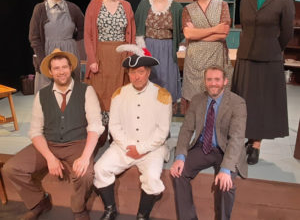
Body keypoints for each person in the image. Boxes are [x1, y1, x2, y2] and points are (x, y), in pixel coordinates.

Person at [3, 49, 104, 220]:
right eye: (56, 68)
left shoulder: (86, 90)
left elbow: (95, 125)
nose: (61, 71)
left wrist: (86, 156)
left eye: (64, 67)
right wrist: (49, 157)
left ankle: (79, 209)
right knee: (11, 168)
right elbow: (35, 131)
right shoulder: (42, 95)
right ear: (50, 72)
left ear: (70, 68)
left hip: (77, 142)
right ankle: (39, 202)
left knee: (86, 174)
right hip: (49, 142)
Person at [93, 44, 172, 220]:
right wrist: (128, 146)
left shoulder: (163, 95)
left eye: (141, 71)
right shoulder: (119, 94)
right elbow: (114, 126)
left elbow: (162, 131)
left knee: (152, 178)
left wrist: (141, 149)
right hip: (124, 145)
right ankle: (110, 209)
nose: (137, 76)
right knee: (100, 168)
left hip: (152, 148)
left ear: (148, 72)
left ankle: (142, 215)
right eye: (133, 72)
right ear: (128, 74)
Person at [231, 0, 295, 165]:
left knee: (263, 104)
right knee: (243, 100)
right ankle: (241, 139)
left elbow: (287, 32)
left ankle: (256, 144)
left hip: (269, 59)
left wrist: (273, 49)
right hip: (246, 57)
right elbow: (245, 27)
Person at [170, 66, 247, 220]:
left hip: (225, 149)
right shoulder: (198, 100)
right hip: (202, 147)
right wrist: (180, 156)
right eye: (209, 80)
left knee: (226, 185)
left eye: (217, 79)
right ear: (205, 82)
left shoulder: (237, 103)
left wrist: (226, 169)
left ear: (225, 81)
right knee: (178, 174)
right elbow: (186, 130)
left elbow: (237, 138)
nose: (213, 83)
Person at [84, 0, 136, 134]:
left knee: (119, 95)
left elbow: (132, 35)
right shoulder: (94, 4)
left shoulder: (126, 5)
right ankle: (100, 133)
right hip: (100, 56)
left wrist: (129, 59)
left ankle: (117, 134)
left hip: (121, 57)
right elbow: (88, 35)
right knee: (100, 95)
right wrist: (92, 59)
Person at [181, 0, 233, 114]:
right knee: (195, 102)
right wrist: (215, 29)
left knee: (216, 99)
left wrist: (197, 34)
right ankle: (197, 133)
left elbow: (223, 33)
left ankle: (215, 134)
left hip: (217, 59)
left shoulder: (222, 5)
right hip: (194, 63)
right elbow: (188, 34)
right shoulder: (188, 10)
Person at [135, 0, 183, 110]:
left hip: (168, 50)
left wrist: (176, 48)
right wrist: (143, 52)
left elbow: (181, 32)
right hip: (148, 49)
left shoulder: (176, 7)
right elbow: (138, 29)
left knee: (166, 87)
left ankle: (165, 125)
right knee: (148, 86)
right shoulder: (144, 5)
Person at [29, 0, 84, 94]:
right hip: (47, 55)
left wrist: (69, 41)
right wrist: (43, 61)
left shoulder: (73, 8)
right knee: (48, 95)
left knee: (71, 94)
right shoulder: (40, 9)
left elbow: (83, 29)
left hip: (70, 55)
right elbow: (34, 38)